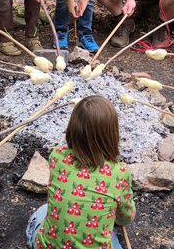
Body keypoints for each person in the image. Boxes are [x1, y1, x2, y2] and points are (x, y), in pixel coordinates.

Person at [26, 95, 136, 249]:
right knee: (111, 234)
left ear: (73, 128)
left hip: (46, 246)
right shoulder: (120, 172)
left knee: (41, 211)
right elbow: (126, 217)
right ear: (112, 134)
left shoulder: (57, 156)